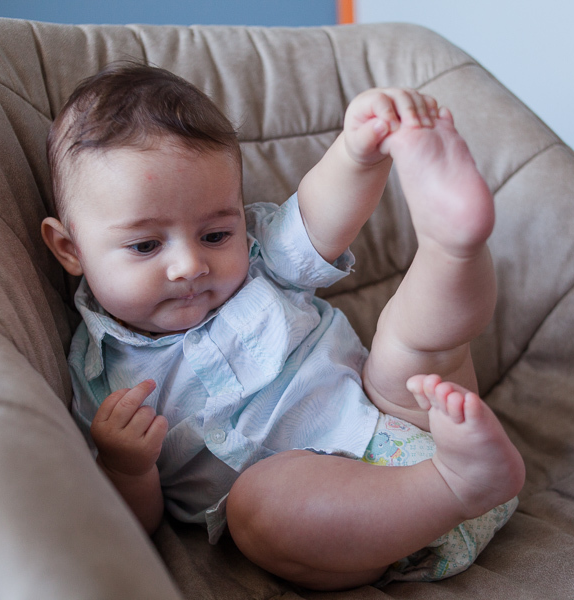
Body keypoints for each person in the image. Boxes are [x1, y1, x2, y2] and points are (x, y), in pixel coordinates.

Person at [41, 62, 524, 590]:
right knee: (256, 509)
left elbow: (320, 218)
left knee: (409, 346)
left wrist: (356, 152)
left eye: (215, 234)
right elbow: (139, 524)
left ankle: (453, 245)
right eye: (146, 245)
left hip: (407, 417)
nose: (190, 265)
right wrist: (126, 469)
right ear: (70, 248)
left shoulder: (259, 261)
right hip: (360, 526)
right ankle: (455, 484)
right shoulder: (99, 376)